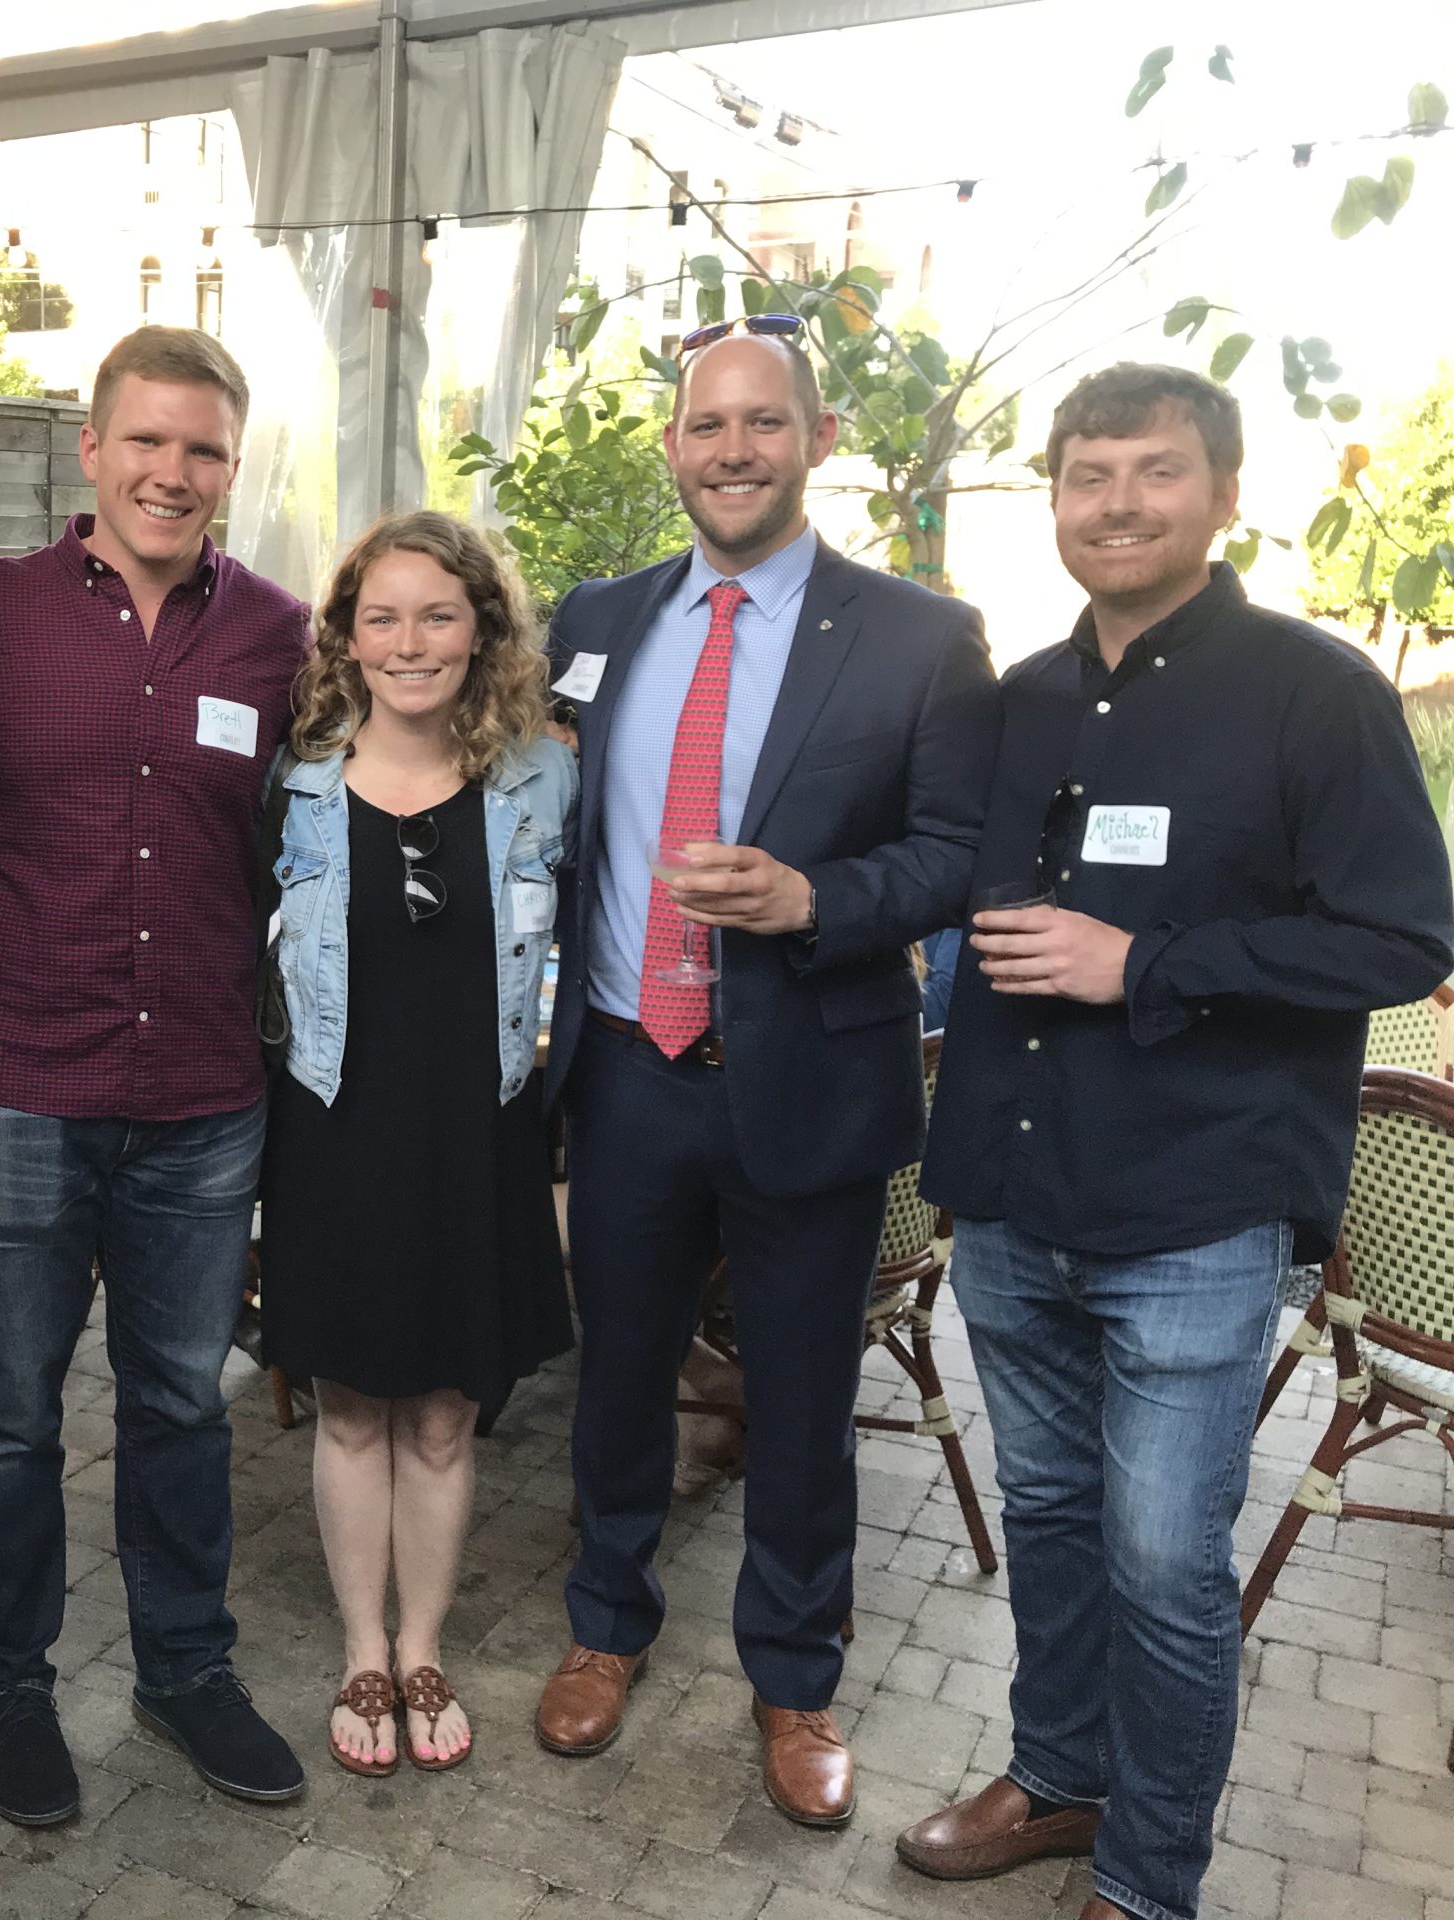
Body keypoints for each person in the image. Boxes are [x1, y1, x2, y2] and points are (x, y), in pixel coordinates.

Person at [901, 365, 1454, 1920]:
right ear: (1056, 500)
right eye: (1088, 475)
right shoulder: (1012, 702)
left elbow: (1401, 940)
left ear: (1221, 494)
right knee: (1058, 1525)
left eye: (1155, 472)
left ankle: (1148, 1880)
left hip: (1196, 1215)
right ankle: (1056, 1777)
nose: (1118, 503)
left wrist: (1144, 964)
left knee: (1165, 1568)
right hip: (1013, 1197)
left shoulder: (1312, 689)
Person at [537, 316, 999, 1827]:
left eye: (764, 424)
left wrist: (815, 902)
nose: (732, 450)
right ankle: (606, 1623)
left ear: (816, 441)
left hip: (807, 1075)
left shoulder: (921, 636)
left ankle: (796, 1676)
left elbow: (953, 858)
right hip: (625, 1069)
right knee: (618, 1373)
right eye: (706, 426)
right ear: (671, 447)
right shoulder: (593, 619)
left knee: (803, 1399)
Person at [0, 326, 310, 1824]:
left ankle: (185, 1670)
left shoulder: (281, 635)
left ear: (232, 464)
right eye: (146, 441)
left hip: (205, 1091)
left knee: (180, 1403)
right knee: (10, 1407)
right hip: (16, 1073)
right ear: (90, 449)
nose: (174, 472)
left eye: (203, 449)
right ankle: (11, 1690)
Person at [256, 511, 575, 1776]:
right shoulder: (291, 778)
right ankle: (359, 1653)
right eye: (379, 616)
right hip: (334, 1126)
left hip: (477, 1131)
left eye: (438, 614)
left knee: (444, 1415)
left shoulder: (543, 776)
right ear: (343, 638)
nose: (408, 641)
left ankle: (424, 1642)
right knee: (348, 1408)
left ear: (482, 631)